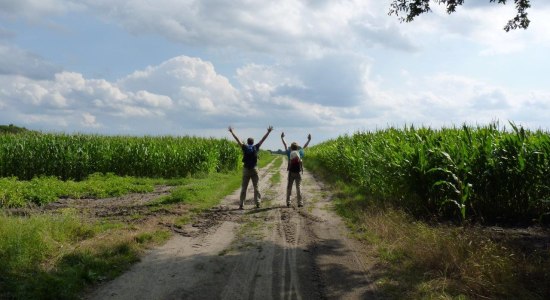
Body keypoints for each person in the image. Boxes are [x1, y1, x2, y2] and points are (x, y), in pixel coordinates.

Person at [229, 125, 274, 209]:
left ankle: (242, 204)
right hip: (254, 169)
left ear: (247, 142)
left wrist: (232, 132)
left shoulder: (244, 147)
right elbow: (263, 139)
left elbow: (237, 139)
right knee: (256, 187)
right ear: (253, 142)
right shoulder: (255, 147)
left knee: (244, 187)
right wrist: (268, 131)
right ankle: (257, 203)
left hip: (246, 169)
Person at [281, 132, 311, 207]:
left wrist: (282, 138)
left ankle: (288, 202)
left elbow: (285, 145)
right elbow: (305, 146)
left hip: (291, 172)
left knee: (289, 187)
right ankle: (300, 203)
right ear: (297, 148)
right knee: (299, 187)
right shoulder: (300, 152)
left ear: (291, 147)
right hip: (298, 172)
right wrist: (309, 140)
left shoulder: (289, 152)